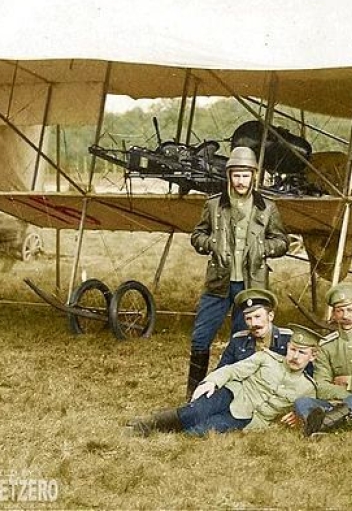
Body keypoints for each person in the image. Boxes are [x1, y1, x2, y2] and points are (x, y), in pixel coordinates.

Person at [186, 145, 289, 399]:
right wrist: (211, 243)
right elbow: (197, 235)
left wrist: (264, 247)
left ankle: (237, 393)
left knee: (243, 342)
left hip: (251, 284)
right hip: (218, 283)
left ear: (254, 176)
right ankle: (193, 394)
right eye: (236, 175)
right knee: (201, 337)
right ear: (229, 176)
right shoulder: (213, 205)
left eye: (246, 175)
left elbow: (283, 241)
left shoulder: (267, 208)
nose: (241, 181)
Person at [127, 325, 320, 437]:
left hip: (249, 419)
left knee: (202, 431)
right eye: (292, 349)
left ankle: (162, 438)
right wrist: (211, 382)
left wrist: (298, 416)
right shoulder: (266, 358)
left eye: (302, 353)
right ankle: (144, 425)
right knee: (194, 412)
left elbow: (310, 409)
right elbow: (231, 370)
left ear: (312, 357)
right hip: (231, 394)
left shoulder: (308, 388)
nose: (295, 356)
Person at [294, 282, 352, 435]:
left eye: (350, 310)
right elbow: (321, 386)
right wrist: (346, 397)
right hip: (337, 404)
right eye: (339, 311)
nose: (345, 316)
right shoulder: (327, 345)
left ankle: (318, 427)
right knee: (302, 402)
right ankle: (330, 423)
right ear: (334, 314)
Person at [214, 288, 292, 369]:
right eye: (248, 319)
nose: (253, 324)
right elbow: (220, 371)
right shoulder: (238, 341)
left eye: (257, 316)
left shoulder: (288, 339)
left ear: (270, 316)